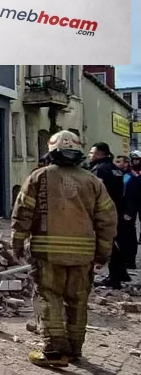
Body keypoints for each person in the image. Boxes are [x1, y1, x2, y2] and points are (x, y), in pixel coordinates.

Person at [12, 131, 116, 367]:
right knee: (78, 301)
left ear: (51, 152)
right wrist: (103, 253)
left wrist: (17, 244)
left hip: (47, 254)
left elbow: (22, 214)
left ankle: (55, 352)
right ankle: (74, 349)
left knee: (49, 297)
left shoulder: (39, 177)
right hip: (83, 256)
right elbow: (107, 220)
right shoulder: (93, 182)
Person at [88, 142, 132, 288]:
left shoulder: (100, 170)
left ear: (100, 154)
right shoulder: (115, 169)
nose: (90, 155)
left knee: (108, 243)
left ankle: (114, 279)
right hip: (116, 209)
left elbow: (95, 193)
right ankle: (121, 273)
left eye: (92, 152)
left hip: (104, 212)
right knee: (114, 242)